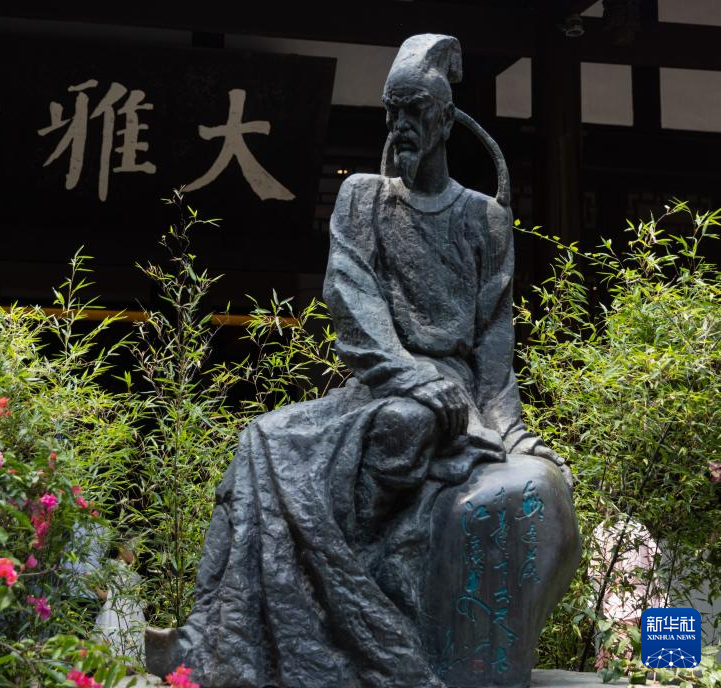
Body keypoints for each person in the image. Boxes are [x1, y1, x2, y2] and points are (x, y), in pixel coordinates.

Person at [148, 34, 580, 688]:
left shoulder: (483, 220)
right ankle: (211, 634)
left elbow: (494, 344)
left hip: (449, 399)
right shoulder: (362, 199)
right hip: (379, 380)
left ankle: (352, 595)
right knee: (261, 438)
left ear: (444, 119)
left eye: (414, 112)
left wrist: (513, 433)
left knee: (406, 426)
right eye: (391, 112)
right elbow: (350, 299)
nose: (400, 125)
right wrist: (406, 373)